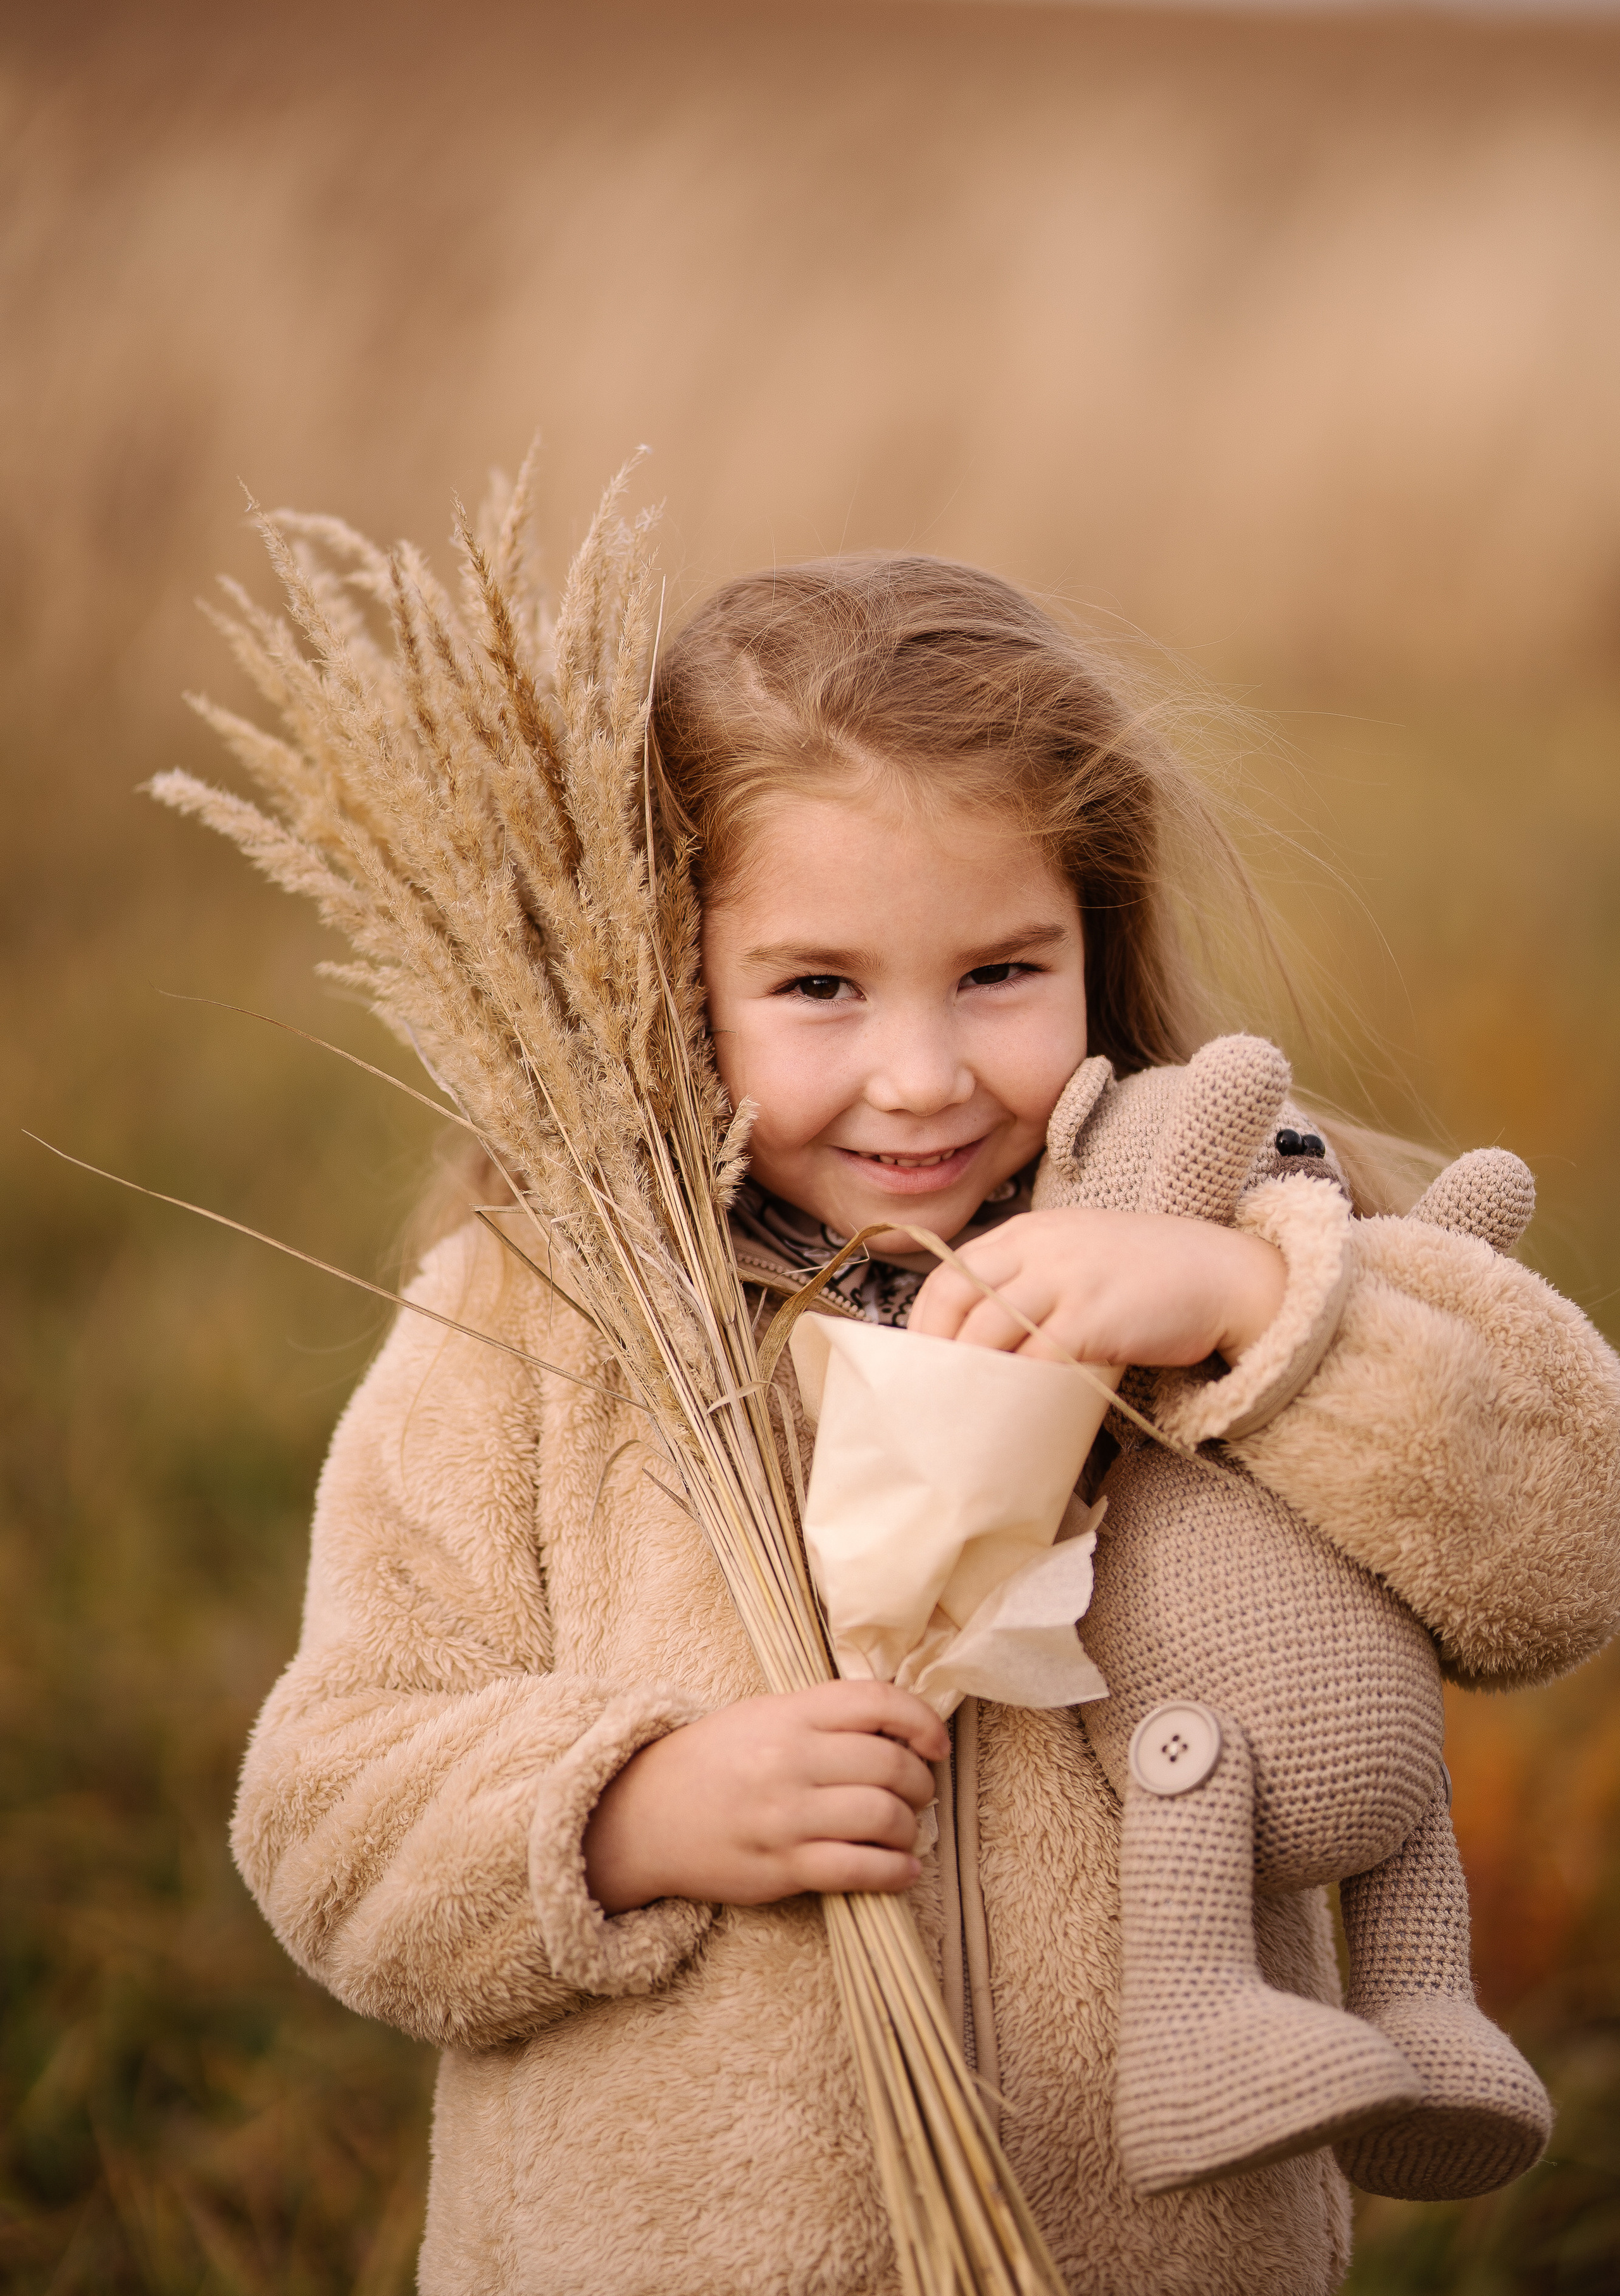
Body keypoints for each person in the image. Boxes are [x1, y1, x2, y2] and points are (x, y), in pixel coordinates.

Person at [232, 555, 1620, 2295]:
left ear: (1096, 945)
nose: (921, 1076)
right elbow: (325, 1814)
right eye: (819, 986)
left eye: (999, 972)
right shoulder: (533, 1326)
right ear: (666, 975)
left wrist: (1251, 1304)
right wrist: (629, 1811)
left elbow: (1565, 1550)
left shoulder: (1233, 1231)